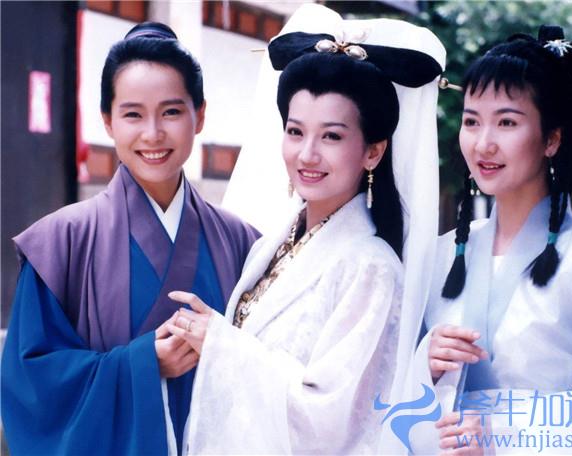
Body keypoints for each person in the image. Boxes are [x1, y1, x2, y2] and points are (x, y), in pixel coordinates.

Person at [164, 5, 445, 454]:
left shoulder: (370, 267)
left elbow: (330, 420)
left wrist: (219, 343)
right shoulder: (273, 245)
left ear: (373, 151)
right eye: (295, 132)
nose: (307, 154)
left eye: (332, 136)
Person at [1, 22, 259, 455]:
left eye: (171, 112)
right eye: (133, 114)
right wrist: (143, 365)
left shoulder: (242, 243)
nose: (152, 134)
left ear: (200, 116)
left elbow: (272, 371)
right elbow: (30, 388)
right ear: (107, 121)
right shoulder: (61, 244)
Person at [415, 25, 572, 454]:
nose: (483, 143)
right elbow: (385, 400)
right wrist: (423, 366)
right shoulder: (443, 255)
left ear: (552, 139)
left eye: (506, 122)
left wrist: (504, 436)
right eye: (471, 121)